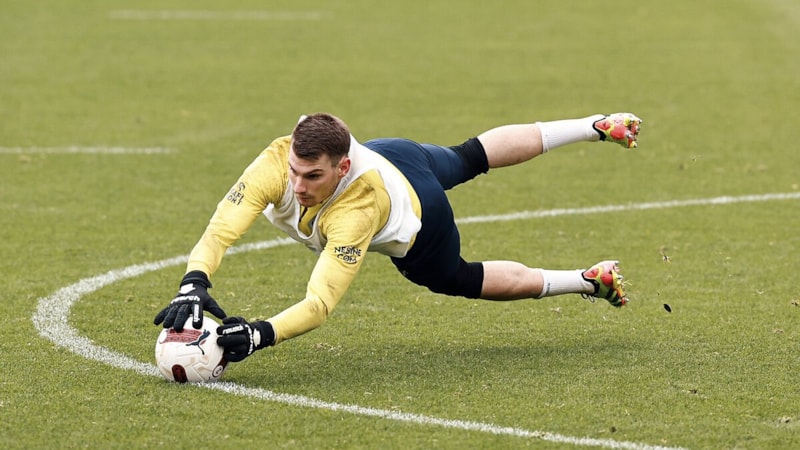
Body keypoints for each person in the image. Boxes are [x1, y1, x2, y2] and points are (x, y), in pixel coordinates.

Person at [154, 112, 642, 362]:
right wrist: (193, 281)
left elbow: (319, 302)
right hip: (395, 154)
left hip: (417, 208)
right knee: (470, 155)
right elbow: (222, 226)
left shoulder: (356, 213)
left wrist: (261, 334)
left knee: (457, 277)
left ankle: (586, 280)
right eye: (295, 173)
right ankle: (595, 125)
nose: (298, 187)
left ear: (342, 167)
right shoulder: (278, 161)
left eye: (313, 177)